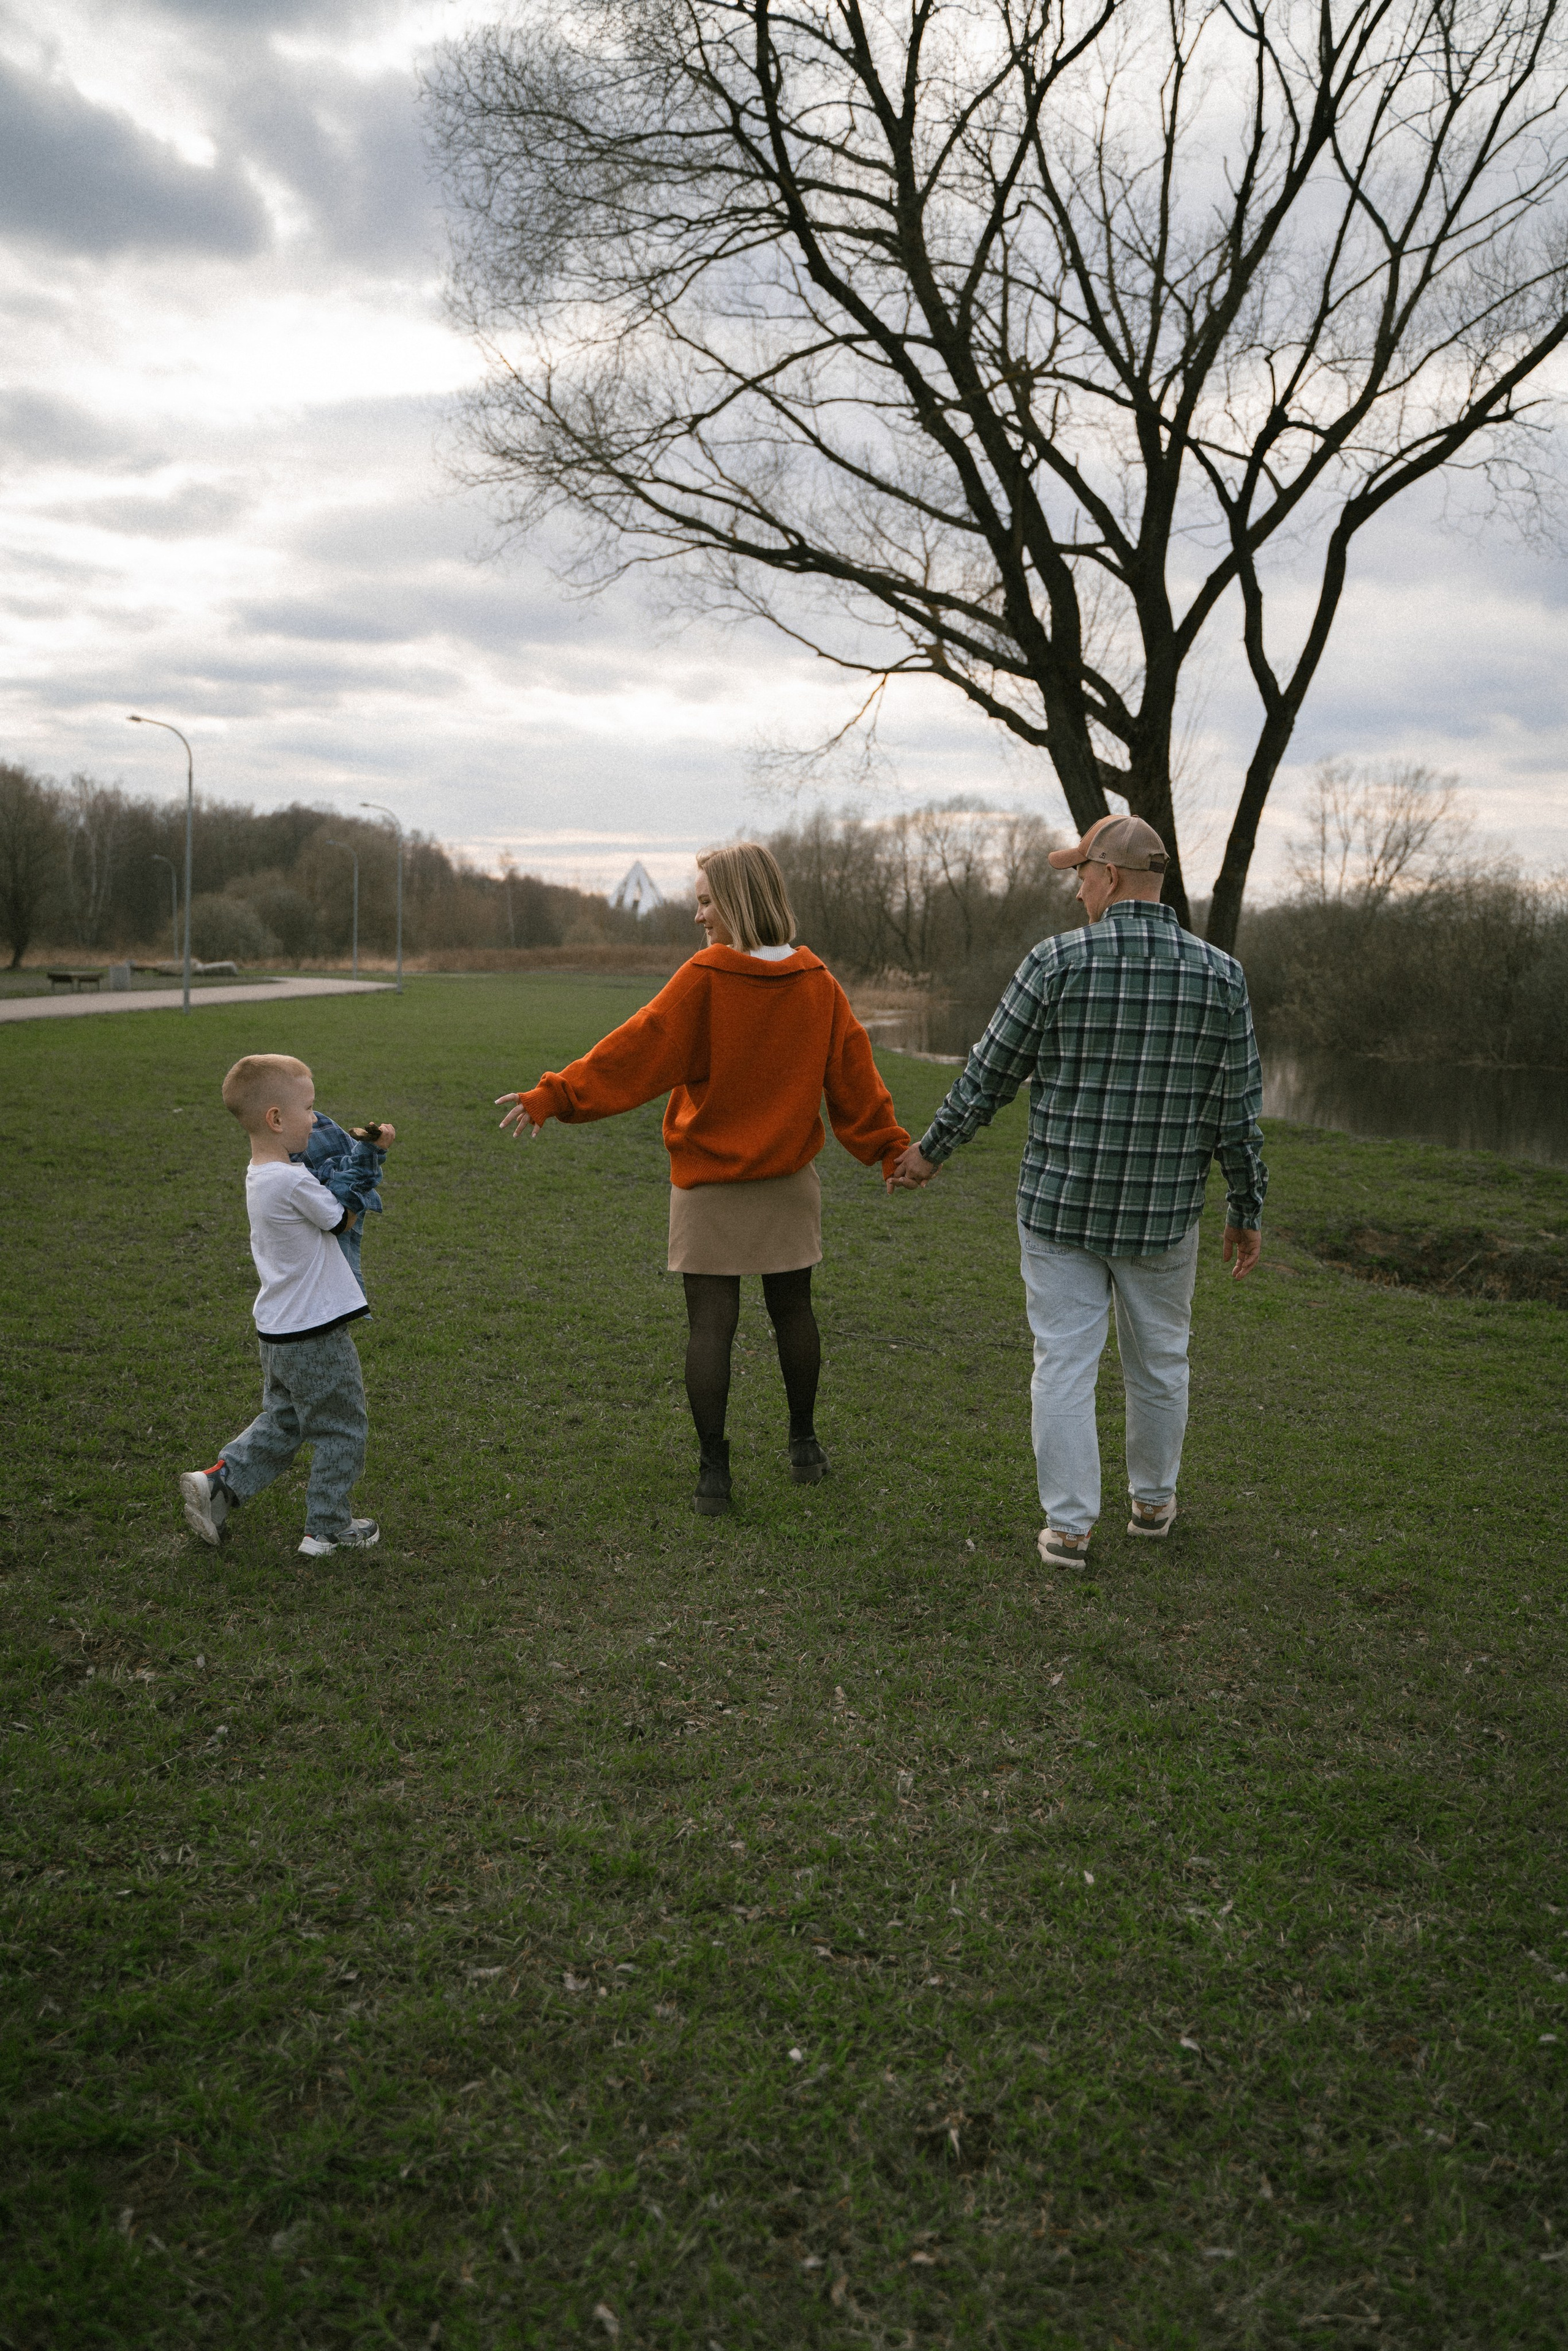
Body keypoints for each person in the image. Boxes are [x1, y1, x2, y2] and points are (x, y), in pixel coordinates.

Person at [891, 815, 1266, 1571]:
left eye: (1080, 877)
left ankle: (1068, 1529)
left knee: (1063, 1360)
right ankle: (1152, 1504)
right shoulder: (1221, 975)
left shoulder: (1056, 962)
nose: (1077, 891)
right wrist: (1245, 1206)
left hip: (1060, 1205)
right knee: (1160, 1359)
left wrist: (932, 1150)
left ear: (1112, 876)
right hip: (1163, 1213)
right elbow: (1237, 1108)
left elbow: (990, 1072)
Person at [497, 842, 910, 1516]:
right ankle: (804, 1446)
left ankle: (714, 1477)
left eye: (706, 902)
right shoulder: (820, 984)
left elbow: (634, 1050)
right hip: (786, 1180)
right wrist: (888, 1149)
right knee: (793, 1312)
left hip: (709, 1181)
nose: (700, 917)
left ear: (740, 901)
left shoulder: (707, 978)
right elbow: (856, 1083)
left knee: (711, 1327)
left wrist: (558, 1094)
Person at [179, 1054, 395, 1558]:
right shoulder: (294, 1181)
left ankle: (219, 1486)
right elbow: (341, 1217)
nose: (318, 1121)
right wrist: (370, 1156)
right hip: (315, 1332)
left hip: (278, 1332)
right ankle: (328, 1529)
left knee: (285, 1420)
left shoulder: (259, 1175)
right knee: (342, 1425)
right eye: (310, 1109)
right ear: (276, 1119)